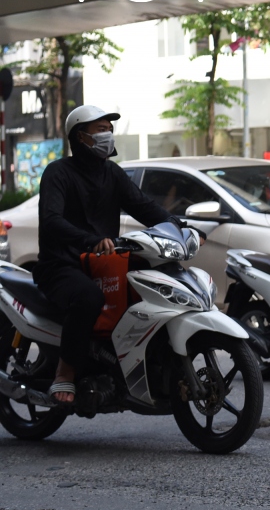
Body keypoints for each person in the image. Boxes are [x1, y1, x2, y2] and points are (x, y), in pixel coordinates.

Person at [36, 105, 175, 404]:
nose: (107, 135)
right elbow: (51, 220)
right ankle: (65, 373)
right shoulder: (58, 173)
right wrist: (90, 239)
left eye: (108, 129)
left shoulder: (111, 172)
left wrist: (179, 227)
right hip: (62, 265)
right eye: (100, 130)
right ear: (80, 137)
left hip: (104, 264)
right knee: (88, 298)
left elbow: (143, 206)